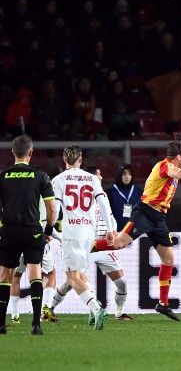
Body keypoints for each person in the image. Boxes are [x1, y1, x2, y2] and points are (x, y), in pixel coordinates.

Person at [90, 141, 181, 320]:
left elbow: (180, 174)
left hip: (158, 218)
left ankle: (163, 303)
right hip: (144, 213)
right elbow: (180, 173)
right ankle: (86, 246)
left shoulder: (172, 169)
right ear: (178, 157)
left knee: (168, 258)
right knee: (118, 244)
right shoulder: (165, 166)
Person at [49, 166, 133, 321]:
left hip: (103, 246)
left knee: (122, 283)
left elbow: (110, 218)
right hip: (86, 244)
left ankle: (119, 312)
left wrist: (114, 232)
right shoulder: (84, 195)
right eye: (98, 175)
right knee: (72, 280)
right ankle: (49, 309)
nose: (100, 177)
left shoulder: (103, 195)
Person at [49, 146, 113, 331]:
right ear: (81, 159)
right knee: (78, 274)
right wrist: (109, 230)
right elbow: (103, 202)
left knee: (71, 276)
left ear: (64, 158)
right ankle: (94, 310)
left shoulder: (59, 179)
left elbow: (57, 207)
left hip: (72, 232)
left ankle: (96, 308)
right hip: (89, 233)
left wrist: (50, 227)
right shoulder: (92, 178)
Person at [0, 135, 58, 336]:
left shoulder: (3, 175)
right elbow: (52, 208)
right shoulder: (40, 176)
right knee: (35, 273)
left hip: (9, 230)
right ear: (31, 153)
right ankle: (35, 324)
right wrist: (49, 228)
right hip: (33, 231)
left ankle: (1, 324)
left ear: (13, 152)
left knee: (5, 275)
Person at [106, 164, 143, 234]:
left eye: (130, 174)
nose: (127, 177)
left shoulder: (138, 191)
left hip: (134, 234)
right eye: (124, 173)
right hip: (116, 233)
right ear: (119, 175)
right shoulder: (110, 192)